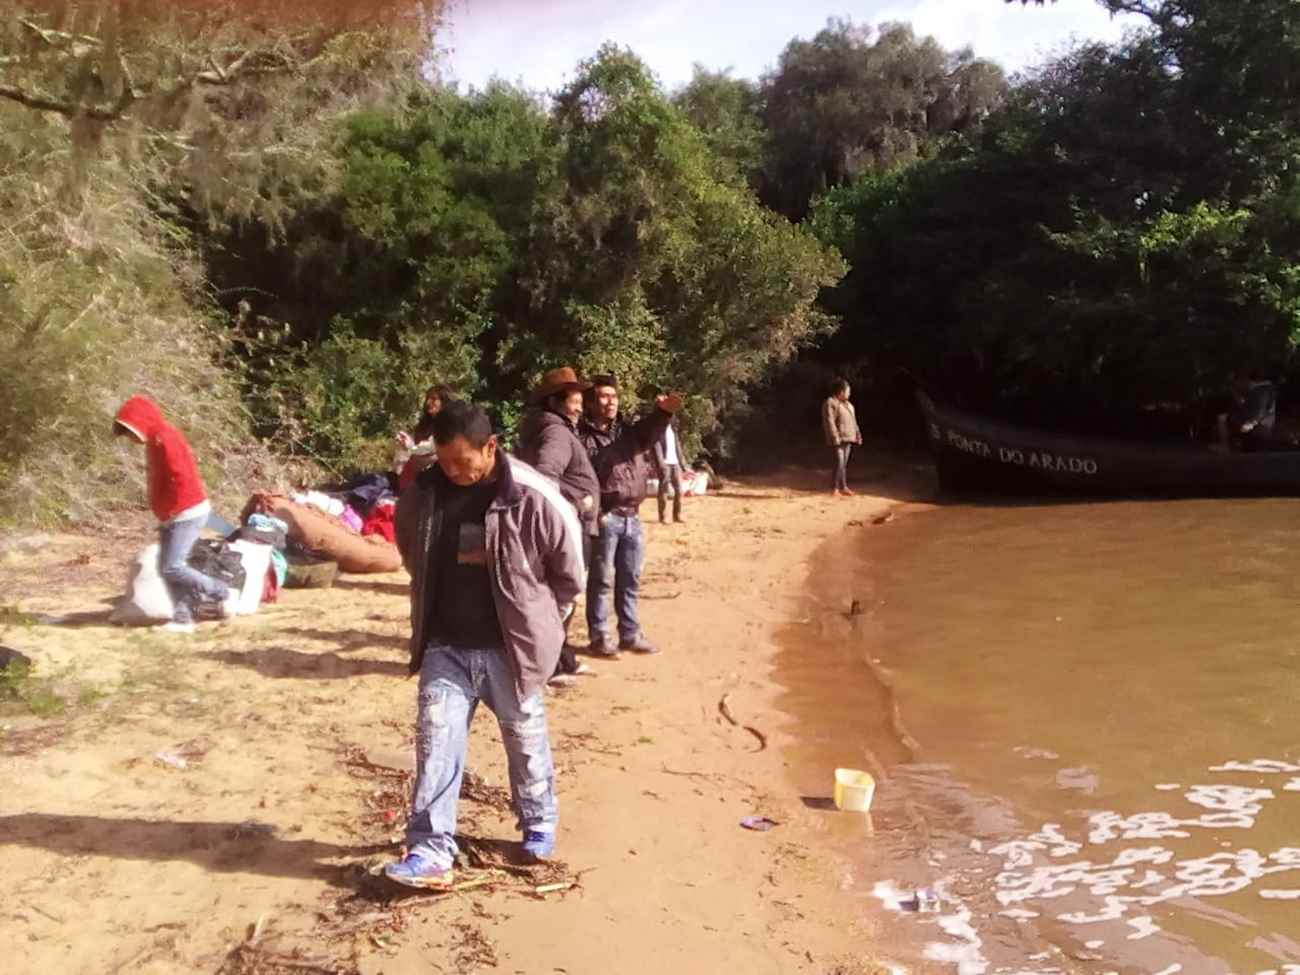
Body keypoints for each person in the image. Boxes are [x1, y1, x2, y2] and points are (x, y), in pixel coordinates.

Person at [387, 402, 584, 889]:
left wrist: (542, 630)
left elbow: (569, 574)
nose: (453, 471)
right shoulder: (424, 494)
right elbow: (412, 554)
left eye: (462, 461)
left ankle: (538, 822)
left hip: (511, 650)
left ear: (490, 447)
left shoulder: (533, 495)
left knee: (525, 739)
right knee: (436, 740)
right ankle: (431, 849)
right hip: (446, 645)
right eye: (443, 460)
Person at [579, 375, 682, 657]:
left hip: (633, 517)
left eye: (614, 396)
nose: (610, 401)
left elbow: (650, 430)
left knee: (631, 578)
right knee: (601, 581)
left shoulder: (628, 432)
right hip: (605, 517)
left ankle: (630, 634)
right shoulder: (582, 438)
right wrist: (595, 512)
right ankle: (600, 637)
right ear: (590, 403)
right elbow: (580, 478)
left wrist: (663, 413)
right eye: (603, 396)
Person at [113, 394, 236, 633]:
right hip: (175, 514)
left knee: (173, 567)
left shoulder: (165, 437)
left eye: (129, 432)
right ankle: (183, 619)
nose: (130, 439)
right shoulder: (156, 439)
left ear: (140, 422)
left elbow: (182, 476)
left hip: (185, 512)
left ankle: (221, 592)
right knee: (168, 568)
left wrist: (172, 509)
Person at [516, 367, 601, 683]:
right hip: (568, 527)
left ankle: (562, 659)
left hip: (564, 525)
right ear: (554, 402)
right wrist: (577, 502)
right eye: (574, 401)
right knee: (564, 594)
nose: (579, 408)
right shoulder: (556, 433)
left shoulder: (548, 428)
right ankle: (550, 665)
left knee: (559, 594)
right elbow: (545, 476)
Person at [396, 384, 454, 487]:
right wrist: (408, 445)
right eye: (428, 398)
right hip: (411, 476)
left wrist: (417, 453)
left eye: (434, 399)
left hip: (436, 481)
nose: (428, 402)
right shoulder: (424, 425)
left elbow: (442, 453)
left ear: (444, 402)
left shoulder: (450, 427)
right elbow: (416, 449)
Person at [822, 378, 862, 497]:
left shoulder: (849, 405)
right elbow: (830, 421)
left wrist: (858, 434)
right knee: (838, 462)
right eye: (848, 391)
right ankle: (835, 488)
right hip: (838, 438)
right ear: (841, 392)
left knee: (843, 464)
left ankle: (843, 487)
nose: (849, 394)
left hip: (848, 437)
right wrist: (834, 436)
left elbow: (854, 421)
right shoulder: (830, 403)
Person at [1219, 374, 1278, 452]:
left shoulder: (1261, 391)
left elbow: (1259, 412)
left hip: (1260, 428)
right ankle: (1227, 447)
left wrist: (1250, 424)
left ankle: (1227, 447)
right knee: (1223, 418)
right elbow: (1246, 408)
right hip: (1254, 426)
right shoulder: (1255, 391)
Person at [653, 413, 690, 524]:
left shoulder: (673, 430)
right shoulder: (657, 430)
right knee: (664, 490)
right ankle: (663, 516)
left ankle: (677, 514)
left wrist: (684, 465)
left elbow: (678, 448)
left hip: (675, 463)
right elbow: (656, 447)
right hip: (665, 464)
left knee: (679, 490)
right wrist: (661, 464)